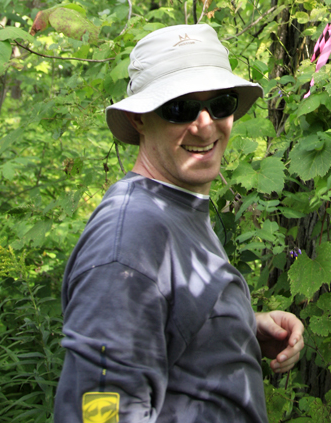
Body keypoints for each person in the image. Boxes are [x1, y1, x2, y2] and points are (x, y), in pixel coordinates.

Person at [54, 24, 304, 423]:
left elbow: (164, 313)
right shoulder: (129, 240)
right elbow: (99, 411)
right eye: (179, 108)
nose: (205, 124)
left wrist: (236, 325)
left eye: (220, 104)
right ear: (139, 120)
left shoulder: (175, 209)